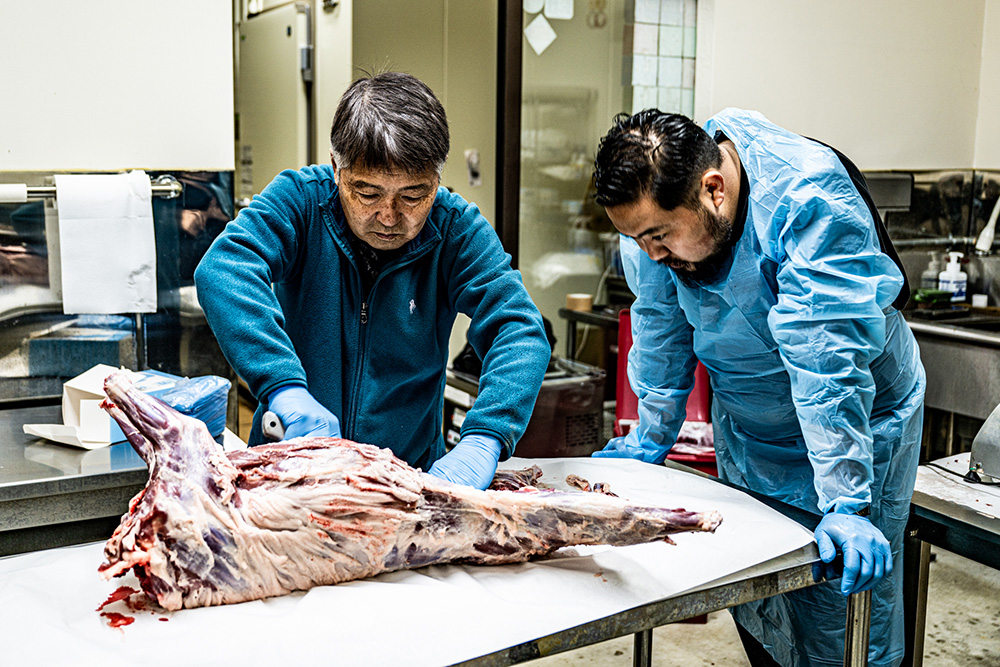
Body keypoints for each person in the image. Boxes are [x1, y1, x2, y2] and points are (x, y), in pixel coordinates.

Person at [591, 108, 925, 667]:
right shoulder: (656, 220)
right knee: (761, 600)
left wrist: (846, 500)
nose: (650, 253)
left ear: (713, 189)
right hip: (751, 432)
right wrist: (650, 433)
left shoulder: (806, 198)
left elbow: (827, 364)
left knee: (837, 616)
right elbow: (660, 326)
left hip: (855, 427)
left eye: (658, 236)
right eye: (635, 238)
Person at [194, 71, 550, 490]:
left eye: (413, 196)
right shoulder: (302, 201)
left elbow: (520, 329)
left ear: (437, 181)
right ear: (337, 171)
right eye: (367, 193)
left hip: (406, 484)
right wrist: (283, 385)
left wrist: (486, 436)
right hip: (288, 471)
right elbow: (225, 269)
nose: (388, 215)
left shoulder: (455, 229)